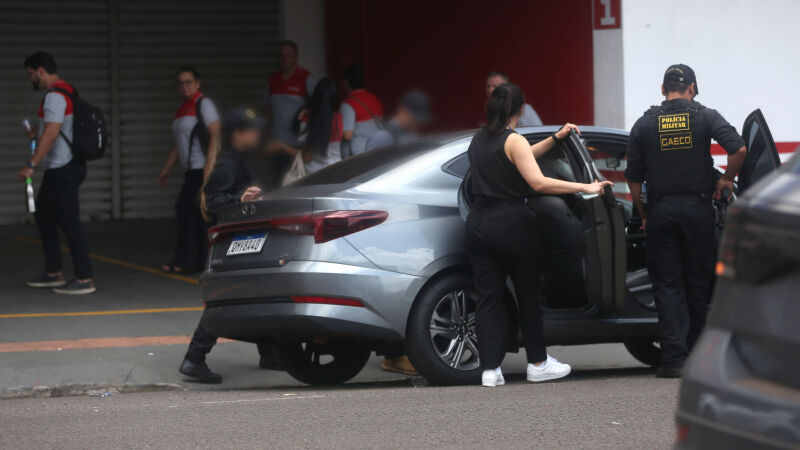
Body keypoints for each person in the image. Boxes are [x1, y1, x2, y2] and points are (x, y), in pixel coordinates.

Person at [466, 82, 611, 387]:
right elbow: (539, 183)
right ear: (521, 109)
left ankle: (490, 369)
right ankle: (538, 363)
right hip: (511, 225)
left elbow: (520, 157)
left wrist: (555, 138)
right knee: (529, 294)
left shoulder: (478, 139)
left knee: (488, 299)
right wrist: (586, 187)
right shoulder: (513, 139)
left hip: (479, 225)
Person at [625, 64, 747, 378]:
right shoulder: (705, 116)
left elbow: (635, 182)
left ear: (663, 89)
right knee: (699, 285)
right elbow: (740, 149)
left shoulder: (644, 124)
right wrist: (727, 180)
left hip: (662, 213)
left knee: (667, 287)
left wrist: (644, 216)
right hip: (697, 212)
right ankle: (700, 360)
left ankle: (674, 361)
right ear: (692, 88)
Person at [179, 107, 278, 383]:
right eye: (253, 129)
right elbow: (212, 202)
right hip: (232, 242)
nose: (258, 133)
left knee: (260, 292)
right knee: (225, 299)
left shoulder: (242, 160)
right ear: (238, 134)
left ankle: (269, 353)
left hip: (244, 240)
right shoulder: (228, 163)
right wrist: (240, 199)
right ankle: (194, 358)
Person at [18, 51, 95, 295]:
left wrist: (31, 163)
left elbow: (52, 134)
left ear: (40, 70)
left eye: (31, 74)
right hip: (64, 167)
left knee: (70, 223)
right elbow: (55, 132)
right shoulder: (68, 91)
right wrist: (35, 137)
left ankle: (84, 278)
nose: (31, 80)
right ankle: (53, 273)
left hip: (62, 168)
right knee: (44, 217)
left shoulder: (54, 97)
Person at [158, 67, 221, 273]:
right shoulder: (183, 107)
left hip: (201, 170)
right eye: (181, 83)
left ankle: (186, 261)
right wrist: (166, 169)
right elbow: (180, 143)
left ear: (197, 83)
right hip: (191, 170)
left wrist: (208, 168)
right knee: (194, 215)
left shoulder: (204, 104)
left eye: (188, 82)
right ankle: (198, 261)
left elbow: (215, 134)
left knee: (189, 212)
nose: (184, 86)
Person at [269, 78, 343, 174]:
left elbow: (306, 158)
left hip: (315, 174)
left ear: (316, 95)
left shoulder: (308, 119)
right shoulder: (338, 118)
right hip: (336, 170)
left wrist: (282, 146)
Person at [264, 40, 318, 147]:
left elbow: (318, 106)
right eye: (282, 55)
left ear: (296, 57)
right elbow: (267, 110)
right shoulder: (272, 79)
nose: (285, 59)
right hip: (276, 145)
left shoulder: (306, 78)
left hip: (298, 144)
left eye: (289, 55)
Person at [364, 89, 431, 152]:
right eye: (415, 118)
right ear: (403, 110)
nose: (418, 123)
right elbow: (371, 164)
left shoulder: (409, 135)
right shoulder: (383, 137)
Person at [340, 65, 384, 157]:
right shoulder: (374, 99)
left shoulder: (349, 104)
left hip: (359, 155)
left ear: (346, 82)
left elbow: (347, 135)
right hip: (377, 150)